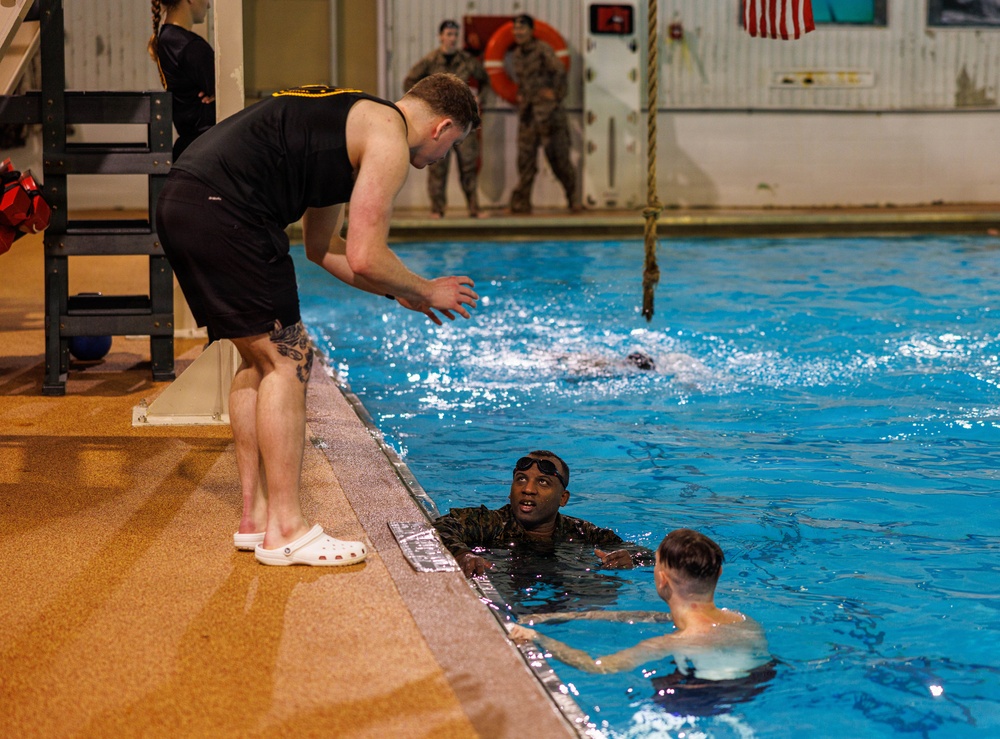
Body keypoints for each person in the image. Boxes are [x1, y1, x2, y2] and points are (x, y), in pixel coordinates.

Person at [156, 74, 481, 566]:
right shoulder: (389, 138)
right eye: (451, 146)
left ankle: (256, 518)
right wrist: (425, 287)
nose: (442, 158)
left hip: (184, 199)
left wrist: (404, 293)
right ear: (442, 126)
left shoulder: (346, 125)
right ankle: (286, 530)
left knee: (260, 358)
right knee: (291, 360)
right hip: (229, 211)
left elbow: (322, 248)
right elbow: (368, 255)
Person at [509, 529, 773, 713]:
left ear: (662, 581)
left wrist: (537, 637)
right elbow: (656, 617)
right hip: (757, 686)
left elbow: (597, 667)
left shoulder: (669, 642)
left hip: (701, 701)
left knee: (660, 689)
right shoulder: (742, 620)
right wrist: (565, 615)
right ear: (719, 573)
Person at [433, 450, 654, 577]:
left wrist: (631, 559)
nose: (528, 489)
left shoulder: (579, 533)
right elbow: (442, 526)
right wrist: (463, 554)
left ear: (563, 499)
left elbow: (650, 556)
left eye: (543, 482)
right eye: (521, 479)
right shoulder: (493, 523)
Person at [404, 20, 489, 219]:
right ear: (441, 36)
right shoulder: (431, 61)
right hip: (438, 123)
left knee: (468, 165)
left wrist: (478, 99)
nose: (452, 39)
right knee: (436, 166)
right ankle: (437, 209)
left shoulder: (467, 60)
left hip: (462, 123)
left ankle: (474, 208)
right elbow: (409, 81)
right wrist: (423, 107)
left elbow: (485, 79)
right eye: (449, 34)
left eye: (455, 35)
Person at [508, 14, 581, 214]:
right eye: (516, 29)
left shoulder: (542, 50)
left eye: (522, 29)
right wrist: (522, 95)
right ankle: (522, 203)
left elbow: (559, 71)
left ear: (531, 31)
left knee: (559, 160)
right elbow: (524, 81)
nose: (518, 33)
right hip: (529, 116)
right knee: (525, 161)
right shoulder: (517, 55)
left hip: (549, 115)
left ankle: (573, 199)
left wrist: (555, 95)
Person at [147, 0, 216, 161]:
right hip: (205, 151)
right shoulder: (190, 46)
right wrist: (218, 95)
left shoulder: (167, 38)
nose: (208, 5)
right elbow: (225, 94)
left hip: (193, 148)